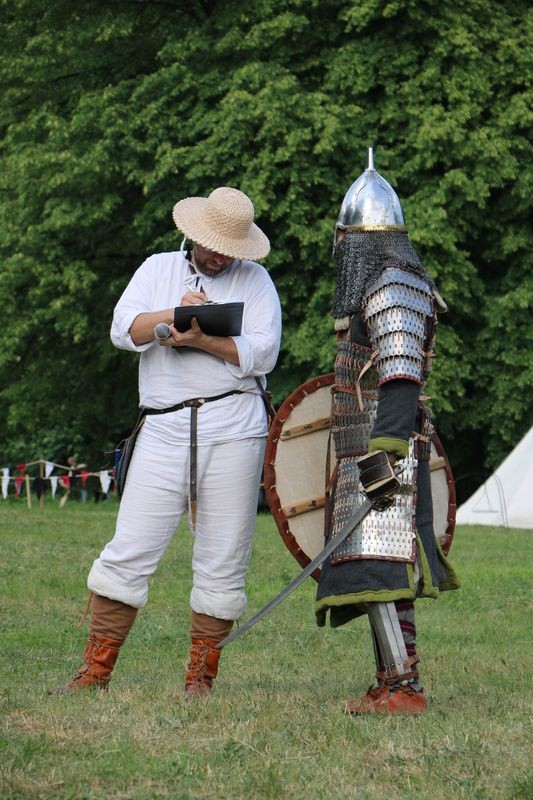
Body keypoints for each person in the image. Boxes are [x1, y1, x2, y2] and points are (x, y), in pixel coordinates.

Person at [49, 186, 282, 697]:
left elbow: (263, 354)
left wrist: (201, 339)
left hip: (235, 428)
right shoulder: (157, 268)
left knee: (224, 557)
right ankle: (95, 672)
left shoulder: (257, 280)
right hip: (162, 427)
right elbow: (122, 329)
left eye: (230, 246)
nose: (219, 254)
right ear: (193, 235)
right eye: (212, 243)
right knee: (130, 547)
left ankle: (200, 679)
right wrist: (173, 317)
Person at [315, 148, 459, 714]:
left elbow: (400, 375)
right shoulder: (386, 279)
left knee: (383, 563)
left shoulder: (394, 283)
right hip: (373, 451)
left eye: (346, 238)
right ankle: (390, 680)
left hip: (386, 452)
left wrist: (384, 454)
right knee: (374, 569)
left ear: (358, 238)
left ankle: (405, 688)